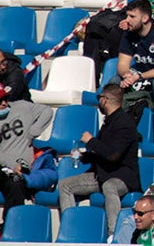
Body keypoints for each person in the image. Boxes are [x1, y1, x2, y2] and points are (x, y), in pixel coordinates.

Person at [57, 85, 140, 238]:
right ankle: (70, 230)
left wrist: (91, 141)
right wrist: (84, 157)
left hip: (122, 176)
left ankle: (113, 234)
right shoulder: (109, 121)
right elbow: (103, 152)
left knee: (110, 186)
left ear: (105, 100)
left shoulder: (124, 123)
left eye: (99, 98)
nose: (98, 102)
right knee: (64, 185)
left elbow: (113, 155)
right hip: (102, 174)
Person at [0, 81, 53, 215]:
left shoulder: (21, 107)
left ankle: (8, 229)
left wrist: (33, 132)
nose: (4, 103)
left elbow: (47, 111)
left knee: (16, 185)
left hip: (20, 170)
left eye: (5, 98)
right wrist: (13, 165)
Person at [114, 0, 154, 133]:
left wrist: (139, 76)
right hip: (140, 73)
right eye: (127, 16)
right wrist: (127, 75)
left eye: (132, 16)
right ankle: (114, 127)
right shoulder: (129, 33)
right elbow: (122, 64)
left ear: (145, 18)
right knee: (114, 81)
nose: (127, 20)